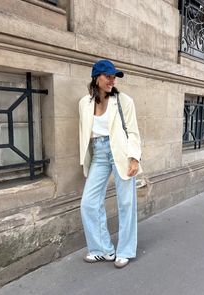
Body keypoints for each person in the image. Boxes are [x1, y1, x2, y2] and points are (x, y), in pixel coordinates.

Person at [79, 59, 142, 268]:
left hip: (121, 153)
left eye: (114, 77)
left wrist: (134, 158)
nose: (112, 80)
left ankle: (125, 250)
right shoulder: (84, 103)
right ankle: (102, 250)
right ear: (96, 78)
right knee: (89, 202)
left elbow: (133, 131)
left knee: (126, 203)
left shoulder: (125, 101)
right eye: (108, 76)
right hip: (98, 153)